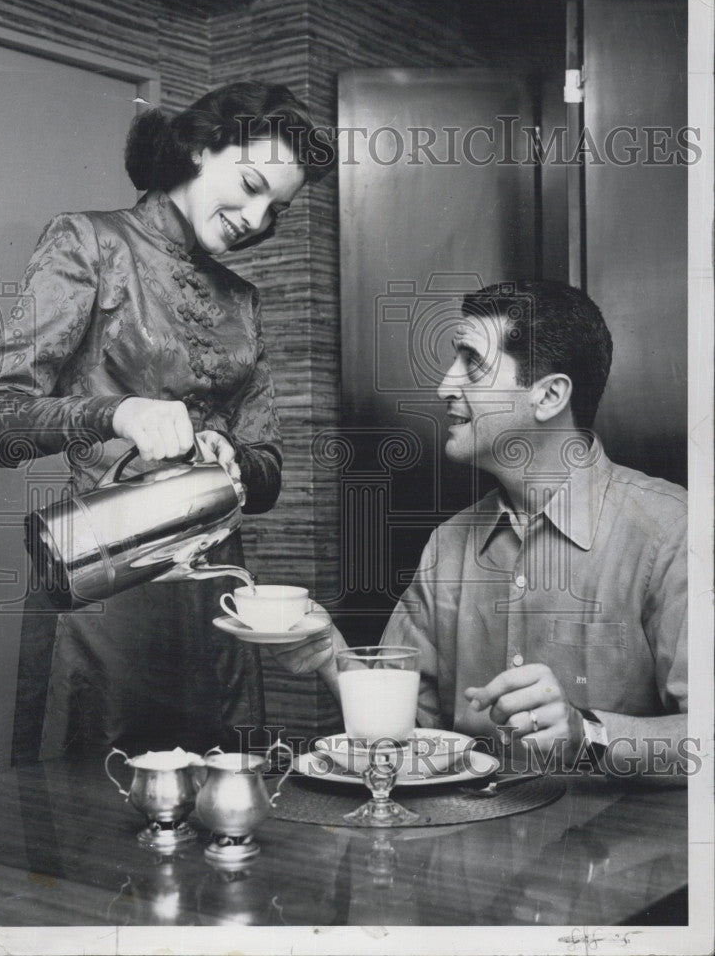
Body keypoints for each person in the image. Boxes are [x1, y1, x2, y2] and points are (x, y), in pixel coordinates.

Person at [0, 81, 333, 763]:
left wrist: (232, 457)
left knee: (223, 791)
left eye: (277, 209)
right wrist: (118, 412)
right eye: (252, 183)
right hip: (101, 580)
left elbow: (266, 475)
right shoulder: (89, 241)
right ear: (202, 147)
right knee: (96, 801)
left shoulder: (243, 300)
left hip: (217, 598)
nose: (257, 219)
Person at [277, 280, 688, 773]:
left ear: (550, 395)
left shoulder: (672, 532)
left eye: (472, 363)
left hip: (611, 844)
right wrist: (329, 654)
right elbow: (399, 736)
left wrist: (589, 734)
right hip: (462, 840)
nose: (445, 385)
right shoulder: (446, 545)